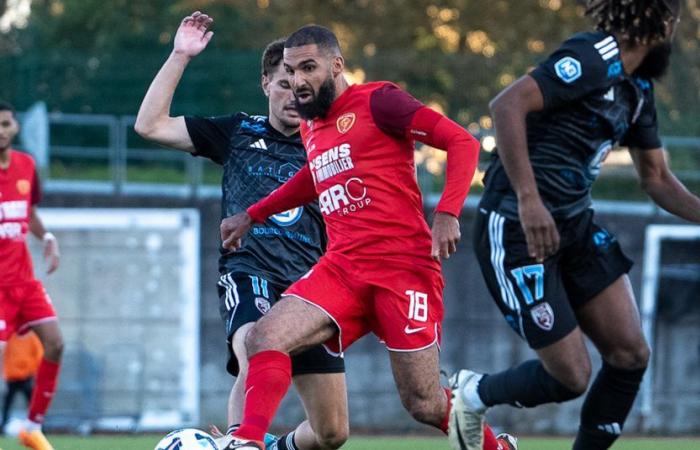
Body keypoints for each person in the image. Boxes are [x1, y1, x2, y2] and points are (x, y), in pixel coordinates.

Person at [219, 25, 516, 450]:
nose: (299, 80)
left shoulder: (380, 101)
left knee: (424, 402)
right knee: (265, 337)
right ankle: (247, 442)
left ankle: (497, 447)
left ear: (336, 65)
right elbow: (315, 177)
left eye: (308, 68)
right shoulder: (311, 126)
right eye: (291, 70)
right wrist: (253, 214)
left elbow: (461, 141)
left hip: (403, 271)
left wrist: (448, 212)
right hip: (342, 269)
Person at [451, 1, 700, 449]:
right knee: (571, 376)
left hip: (574, 226)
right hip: (516, 228)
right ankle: (472, 392)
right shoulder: (593, 54)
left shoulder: (637, 88)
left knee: (630, 354)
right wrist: (529, 201)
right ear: (662, 22)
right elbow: (506, 106)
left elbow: (657, 178)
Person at [134, 13, 349, 450]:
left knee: (331, 433)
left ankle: (265, 445)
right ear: (265, 84)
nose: (294, 94)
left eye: (302, 85)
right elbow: (149, 125)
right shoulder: (238, 132)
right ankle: (241, 442)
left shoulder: (329, 142)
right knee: (254, 344)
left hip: (312, 288)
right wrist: (180, 55)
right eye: (283, 84)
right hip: (249, 271)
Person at [0, 100, 64, 450]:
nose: (1, 130)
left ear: (15, 127)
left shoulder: (26, 165)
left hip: (24, 282)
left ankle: (32, 428)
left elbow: (29, 212)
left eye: (6, 123)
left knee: (55, 344)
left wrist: (48, 237)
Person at [1, 331, 44, 432]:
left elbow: (38, 355)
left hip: (26, 377)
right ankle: (4, 425)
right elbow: (4, 355)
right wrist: (6, 373)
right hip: (12, 377)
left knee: (33, 402)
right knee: (7, 402)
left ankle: (36, 425)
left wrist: (32, 371)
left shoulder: (32, 338)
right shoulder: (10, 338)